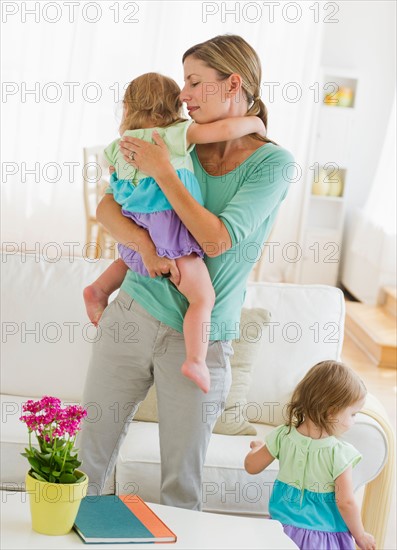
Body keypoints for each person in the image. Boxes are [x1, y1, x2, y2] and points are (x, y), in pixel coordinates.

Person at [79, 34, 294, 510]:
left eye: (196, 82)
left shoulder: (272, 164)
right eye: (184, 83)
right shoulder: (178, 140)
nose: (184, 94)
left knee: (181, 487)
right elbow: (109, 206)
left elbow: (217, 239)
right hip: (132, 312)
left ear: (233, 83)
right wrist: (141, 246)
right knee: (84, 464)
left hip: (199, 337)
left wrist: (164, 172)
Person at [83, 72, 266, 393]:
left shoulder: (117, 146)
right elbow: (223, 130)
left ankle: (98, 289)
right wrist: (256, 124)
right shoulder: (171, 134)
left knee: (129, 259)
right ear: (173, 108)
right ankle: (196, 359)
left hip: (134, 218)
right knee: (203, 297)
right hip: (167, 222)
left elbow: (112, 182)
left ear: (126, 108)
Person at [244, 361, 376, 550]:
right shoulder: (339, 453)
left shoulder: (283, 435)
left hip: (281, 533)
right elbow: (346, 502)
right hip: (323, 539)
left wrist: (258, 449)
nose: (354, 421)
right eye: (353, 414)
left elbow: (251, 466)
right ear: (331, 412)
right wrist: (360, 535)